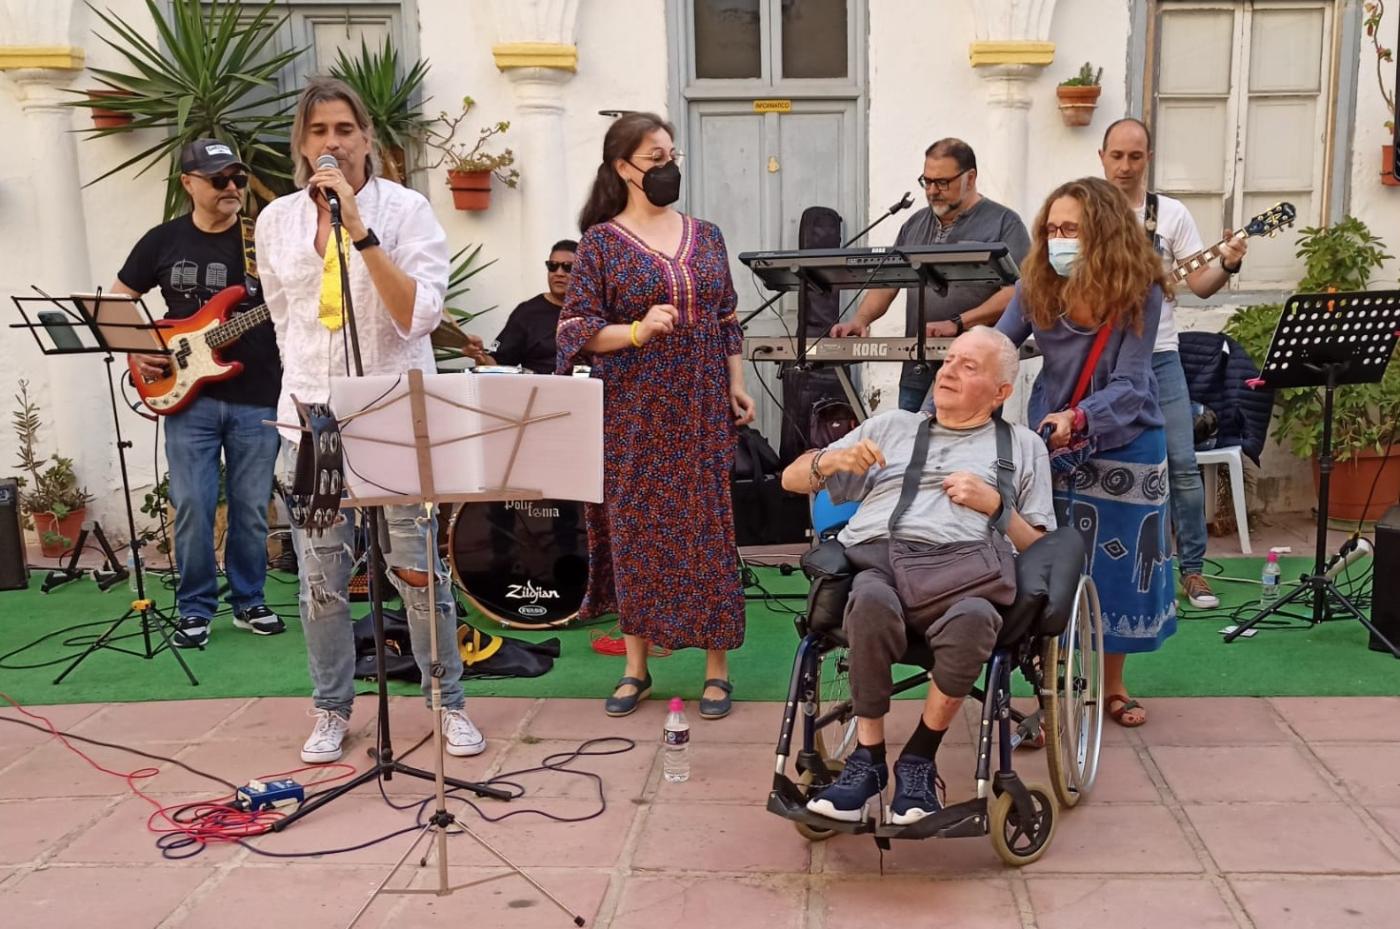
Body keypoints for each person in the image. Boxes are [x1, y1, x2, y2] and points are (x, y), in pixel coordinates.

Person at [256, 78, 483, 763]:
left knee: (418, 573)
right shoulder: (276, 222)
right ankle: (331, 707)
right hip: (309, 423)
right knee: (321, 580)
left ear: (367, 140)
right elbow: (283, 318)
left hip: (392, 418)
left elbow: (419, 314)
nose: (332, 142)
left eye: (344, 129)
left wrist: (360, 230)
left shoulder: (407, 211)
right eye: (319, 130)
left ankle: (447, 701)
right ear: (302, 143)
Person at [780, 327, 1054, 824]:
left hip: (967, 576)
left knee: (975, 618)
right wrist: (830, 459)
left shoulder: (1023, 445)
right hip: (880, 565)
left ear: (1001, 393)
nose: (948, 371)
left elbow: (1039, 546)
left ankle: (919, 760)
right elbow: (791, 477)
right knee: (867, 599)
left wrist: (996, 506)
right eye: (948, 361)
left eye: (968, 366)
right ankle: (867, 759)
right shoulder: (892, 426)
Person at [557, 111, 756, 720]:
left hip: (700, 406)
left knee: (709, 528)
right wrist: (636, 330)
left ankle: (716, 669)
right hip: (634, 410)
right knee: (637, 530)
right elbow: (575, 330)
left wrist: (736, 386)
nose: (667, 167)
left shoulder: (708, 235)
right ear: (624, 168)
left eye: (672, 155)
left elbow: (725, 319)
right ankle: (635, 667)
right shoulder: (600, 243)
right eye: (654, 157)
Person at [997, 176, 1176, 728]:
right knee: (1050, 565)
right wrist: (955, 389)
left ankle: (1113, 685)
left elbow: (1133, 383)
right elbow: (1000, 344)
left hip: (1126, 442)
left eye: (1069, 229)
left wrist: (1080, 417)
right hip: (1052, 443)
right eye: (1051, 229)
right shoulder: (1038, 286)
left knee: (1120, 571)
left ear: (1100, 232)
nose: (1057, 240)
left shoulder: (1137, 289)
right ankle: (1053, 684)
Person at [115, 139, 284, 649]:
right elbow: (121, 300)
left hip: (258, 392)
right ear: (188, 184)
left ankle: (250, 601)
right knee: (192, 502)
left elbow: (302, 293)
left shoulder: (262, 241)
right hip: (190, 397)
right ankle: (194, 608)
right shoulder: (161, 241)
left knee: (253, 506)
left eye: (237, 178)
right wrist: (138, 352)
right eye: (219, 180)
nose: (232, 188)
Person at [1100, 117, 1248, 613]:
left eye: (1135, 156)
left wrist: (1226, 261)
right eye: (1117, 156)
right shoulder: (1084, 210)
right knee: (1093, 460)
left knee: (1182, 463)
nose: (1125, 166)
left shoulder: (1171, 215)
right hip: (1098, 354)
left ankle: (1194, 572)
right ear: (1102, 158)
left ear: (1148, 159)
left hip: (1161, 354)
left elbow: (1200, 285)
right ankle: (1097, 566)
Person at [829, 139, 1031, 412]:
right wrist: (860, 319)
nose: (933, 191)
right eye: (927, 181)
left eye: (943, 182)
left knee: (964, 449)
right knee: (910, 445)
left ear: (970, 178)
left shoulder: (1004, 223)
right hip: (917, 367)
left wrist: (958, 323)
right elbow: (888, 282)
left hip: (974, 374)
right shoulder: (914, 224)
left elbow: (1020, 292)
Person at [464, 240, 577, 374]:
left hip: (593, 391)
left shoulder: (598, 311)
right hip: (542, 391)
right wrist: (479, 355)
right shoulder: (527, 313)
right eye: (552, 266)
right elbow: (498, 363)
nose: (559, 273)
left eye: (568, 267)